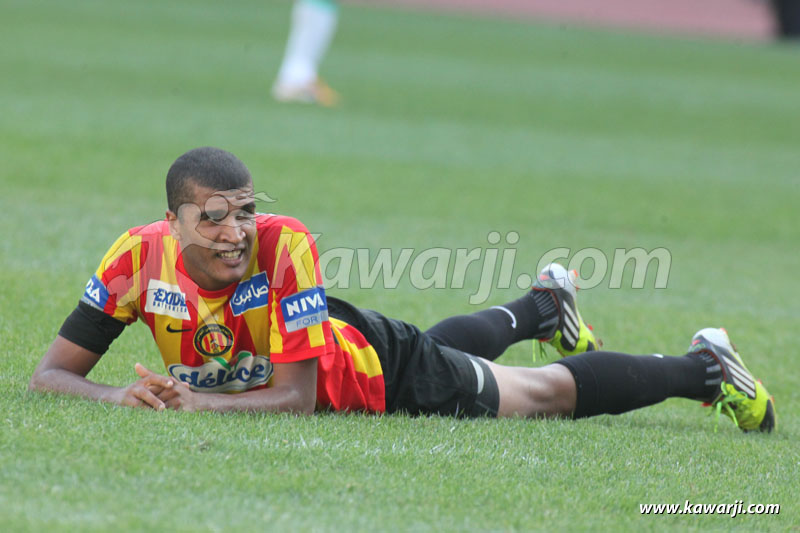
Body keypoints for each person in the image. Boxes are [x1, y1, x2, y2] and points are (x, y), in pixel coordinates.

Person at [29, 147, 776, 432]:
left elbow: (296, 399)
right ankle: (543, 308)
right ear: (173, 222)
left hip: (378, 373)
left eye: (245, 211)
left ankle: (705, 369)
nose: (235, 232)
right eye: (214, 217)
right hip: (351, 340)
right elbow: (50, 375)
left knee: (538, 394)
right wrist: (115, 396)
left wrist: (197, 403)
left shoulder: (284, 245)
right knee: (450, 350)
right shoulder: (135, 258)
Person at [272, 0, 340, 106]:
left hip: (318, 7)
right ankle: (296, 82)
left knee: (305, 46)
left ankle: (300, 81)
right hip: (315, 7)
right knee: (305, 45)